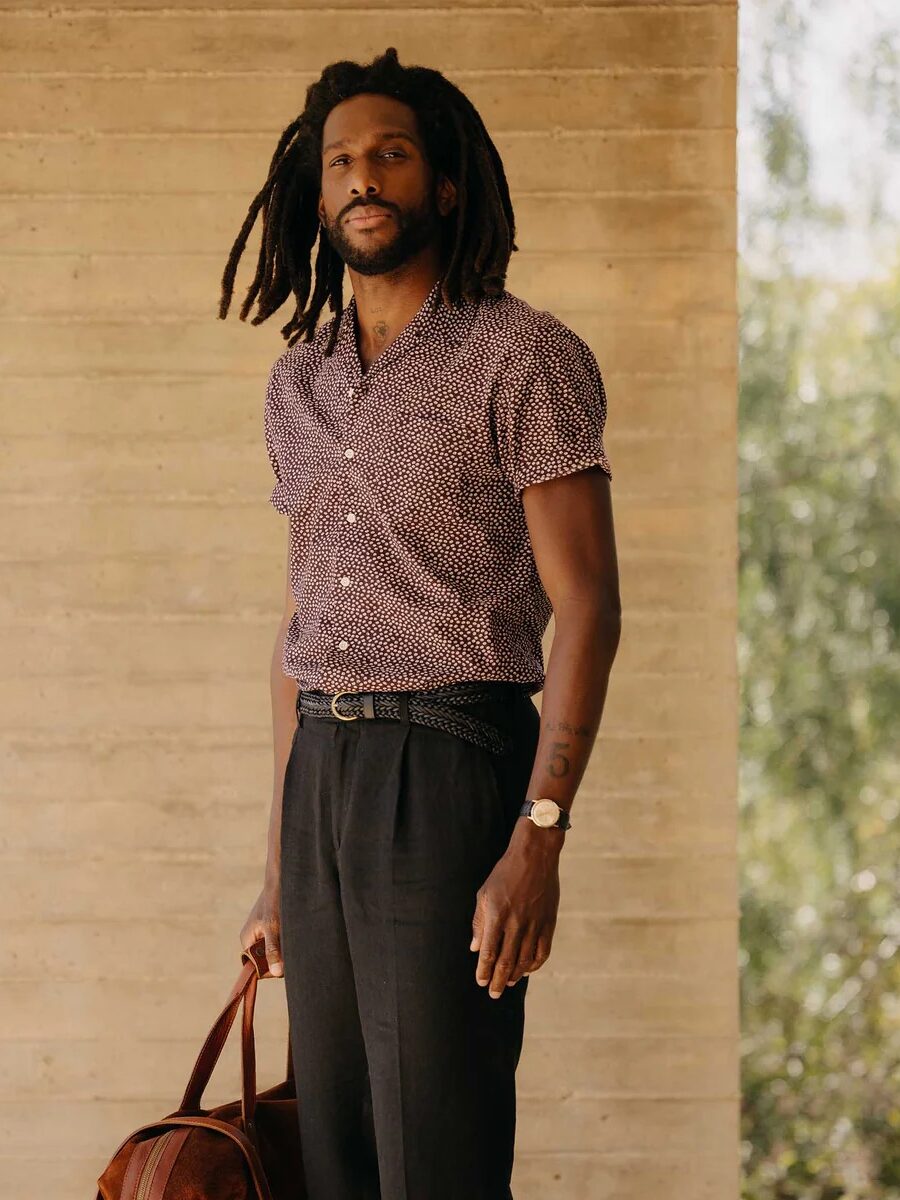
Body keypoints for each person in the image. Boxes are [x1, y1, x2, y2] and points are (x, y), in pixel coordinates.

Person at [226, 46, 621, 1200]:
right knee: (335, 1150)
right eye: (341, 161)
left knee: (434, 1152)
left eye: (390, 154)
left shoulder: (522, 356)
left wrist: (539, 834)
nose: (363, 177)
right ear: (318, 196)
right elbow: (301, 622)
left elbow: (589, 610)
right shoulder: (296, 385)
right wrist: (273, 872)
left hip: (446, 767)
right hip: (321, 783)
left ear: (443, 184)